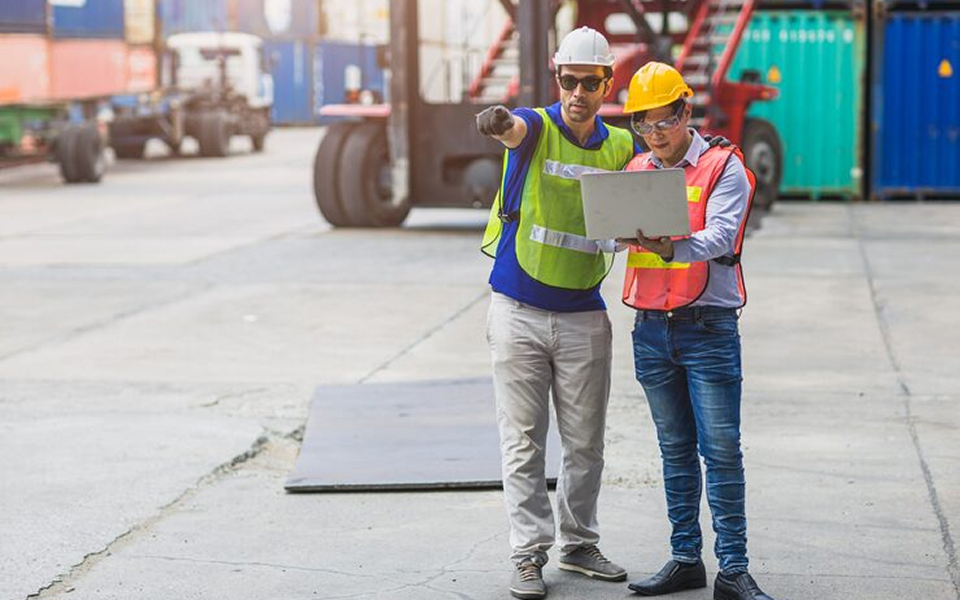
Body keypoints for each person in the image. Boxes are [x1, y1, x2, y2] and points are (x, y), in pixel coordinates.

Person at [475, 26, 638, 600]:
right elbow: (512, 128)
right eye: (568, 81)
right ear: (557, 77)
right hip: (518, 309)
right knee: (523, 440)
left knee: (586, 442)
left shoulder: (620, 148)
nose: (576, 93)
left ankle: (578, 542)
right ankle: (527, 553)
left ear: (605, 85)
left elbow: (654, 186)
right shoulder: (537, 127)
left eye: (589, 83)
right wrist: (496, 122)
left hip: (583, 314)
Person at [617, 62, 776, 600]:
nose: (655, 134)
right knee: (675, 449)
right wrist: (612, 233)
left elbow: (722, 237)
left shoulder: (723, 166)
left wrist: (669, 246)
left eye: (663, 121)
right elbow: (616, 241)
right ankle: (686, 558)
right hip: (651, 329)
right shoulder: (637, 169)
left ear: (686, 112)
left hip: (707, 328)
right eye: (645, 125)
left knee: (722, 449)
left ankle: (733, 568)